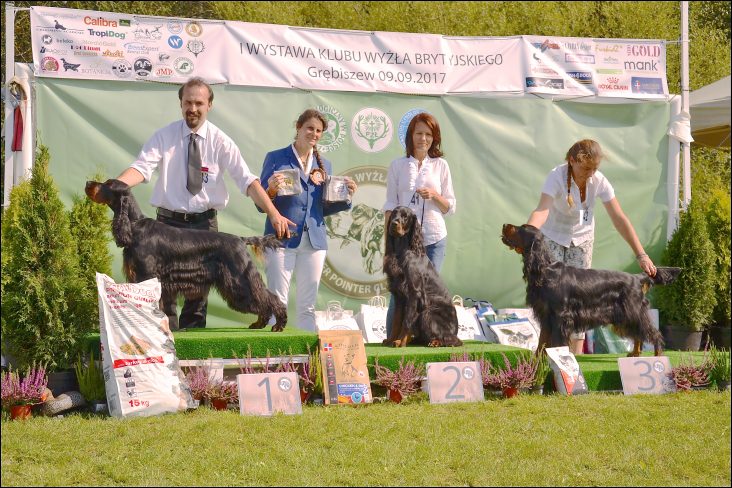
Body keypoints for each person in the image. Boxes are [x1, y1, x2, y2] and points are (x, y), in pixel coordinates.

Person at [115, 77, 293, 330]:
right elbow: (141, 169)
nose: (193, 108)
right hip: (167, 226)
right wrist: (115, 187)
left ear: (209, 105)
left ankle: (194, 350)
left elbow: (248, 181)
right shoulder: (164, 136)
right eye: (188, 102)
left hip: (204, 226)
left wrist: (273, 213)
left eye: (199, 103)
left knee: (197, 300)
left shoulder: (221, 141)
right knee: (163, 297)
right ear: (180, 103)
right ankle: (168, 345)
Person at [526, 139, 657, 354]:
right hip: (553, 238)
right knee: (552, 301)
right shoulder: (555, 176)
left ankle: (575, 360)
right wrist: (527, 234)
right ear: (572, 161)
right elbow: (542, 210)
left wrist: (641, 254)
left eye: (594, 168)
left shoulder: (599, 181)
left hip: (582, 240)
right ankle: (546, 354)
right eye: (586, 168)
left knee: (579, 302)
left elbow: (619, 218)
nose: (590, 173)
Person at [260, 109, 357, 331]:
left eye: (319, 130)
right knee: (277, 303)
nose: (314, 133)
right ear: (299, 128)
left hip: (314, 241)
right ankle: (275, 361)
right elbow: (260, 203)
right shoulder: (275, 158)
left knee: (307, 307)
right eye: (310, 128)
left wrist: (348, 195)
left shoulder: (325, 165)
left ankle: (305, 363)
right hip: (280, 239)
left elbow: (320, 209)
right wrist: (271, 190)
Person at [382, 112, 457, 338]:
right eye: (418, 133)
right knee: (399, 294)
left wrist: (434, 195)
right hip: (402, 244)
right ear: (410, 136)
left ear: (434, 138)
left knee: (427, 294)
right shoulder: (398, 165)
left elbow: (449, 206)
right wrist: (389, 242)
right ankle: (393, 339)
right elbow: (390, 205)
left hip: (434, 240)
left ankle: (428, 338)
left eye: (428, 134)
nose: (423, 138)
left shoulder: (441, 165)